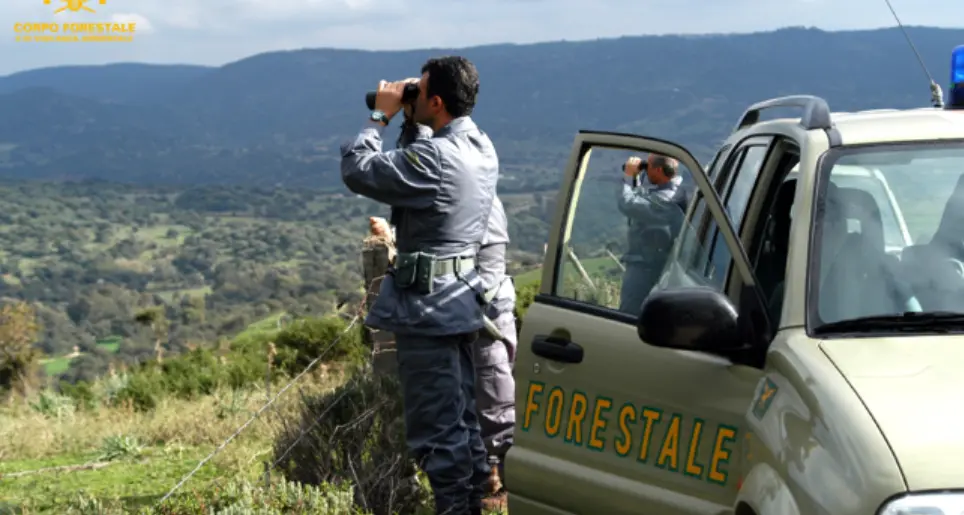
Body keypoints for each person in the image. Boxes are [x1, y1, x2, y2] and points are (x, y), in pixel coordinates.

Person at [340, 56, 498, 515]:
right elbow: (416, 175)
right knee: (463, 427)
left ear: (434, 100)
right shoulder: (480, 145)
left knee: (437, 434)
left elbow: (358, 169)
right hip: (461, 304)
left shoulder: (435, 157)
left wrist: (381, 116)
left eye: (419, 89)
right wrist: (413, 123)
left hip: (427, 313)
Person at [386, 109, 516, 511]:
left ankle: (496, 480)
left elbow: (410, 175)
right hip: (470, 302)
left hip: (479, 303)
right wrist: (413, 127)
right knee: (470, 402)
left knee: (484, 397)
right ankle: (486, 482)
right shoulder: (474, 172)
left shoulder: (462, 186)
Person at [616, 154, 688, 315]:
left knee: (629, 315)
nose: (645, 171)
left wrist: (628, 177)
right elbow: (640, 197)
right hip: (653, 264)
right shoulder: (670, 192)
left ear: (659, 170)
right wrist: (635, 178)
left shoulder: (668, 200)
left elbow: (628, 204)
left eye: (648, 167)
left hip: (646, 268)